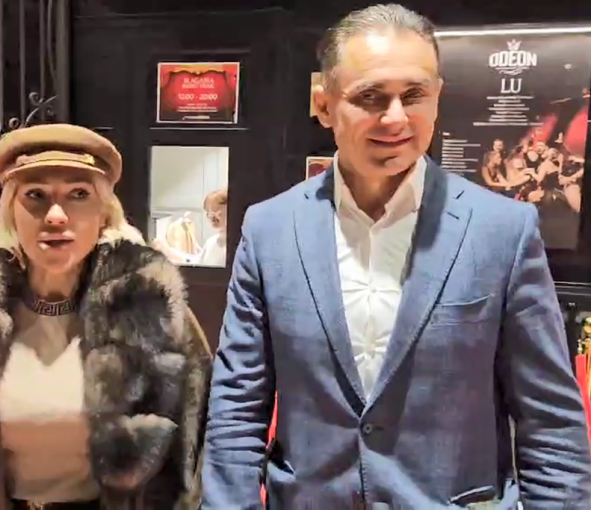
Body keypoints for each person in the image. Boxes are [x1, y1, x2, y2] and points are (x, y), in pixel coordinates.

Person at [202, 4, 591, 509]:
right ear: (323, 105)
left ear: (437, 98)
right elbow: (237, 405)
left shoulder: (502, 230)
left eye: (414, 95)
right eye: (370, 97)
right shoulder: (270, 229)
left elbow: (550, 420)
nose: (395, 118)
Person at [0, 124, 212, 509]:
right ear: (12, 210)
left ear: (103, 212)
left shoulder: (151, 312)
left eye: (79, 194)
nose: (56, 215)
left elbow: (198, 446)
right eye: (36, 195)